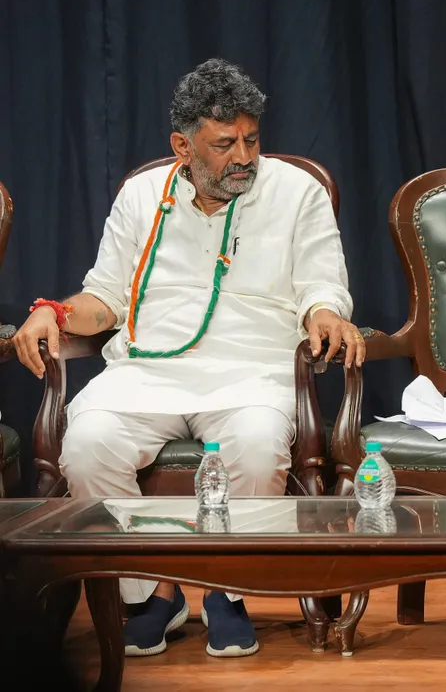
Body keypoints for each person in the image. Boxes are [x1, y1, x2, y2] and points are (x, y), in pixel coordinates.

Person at [12, 58, 365, 658]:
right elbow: (105, 296)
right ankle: (154, 592)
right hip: (146, 372)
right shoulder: (141, 194)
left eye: (252, 139)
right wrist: (55, 312)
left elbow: (322, 286)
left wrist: (326, 314)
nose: (245, 157)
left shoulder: (296, 191)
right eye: (225, 144)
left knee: (255, 446)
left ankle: (226, 588)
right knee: (86, 445)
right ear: (183, 145)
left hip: (252, 370)